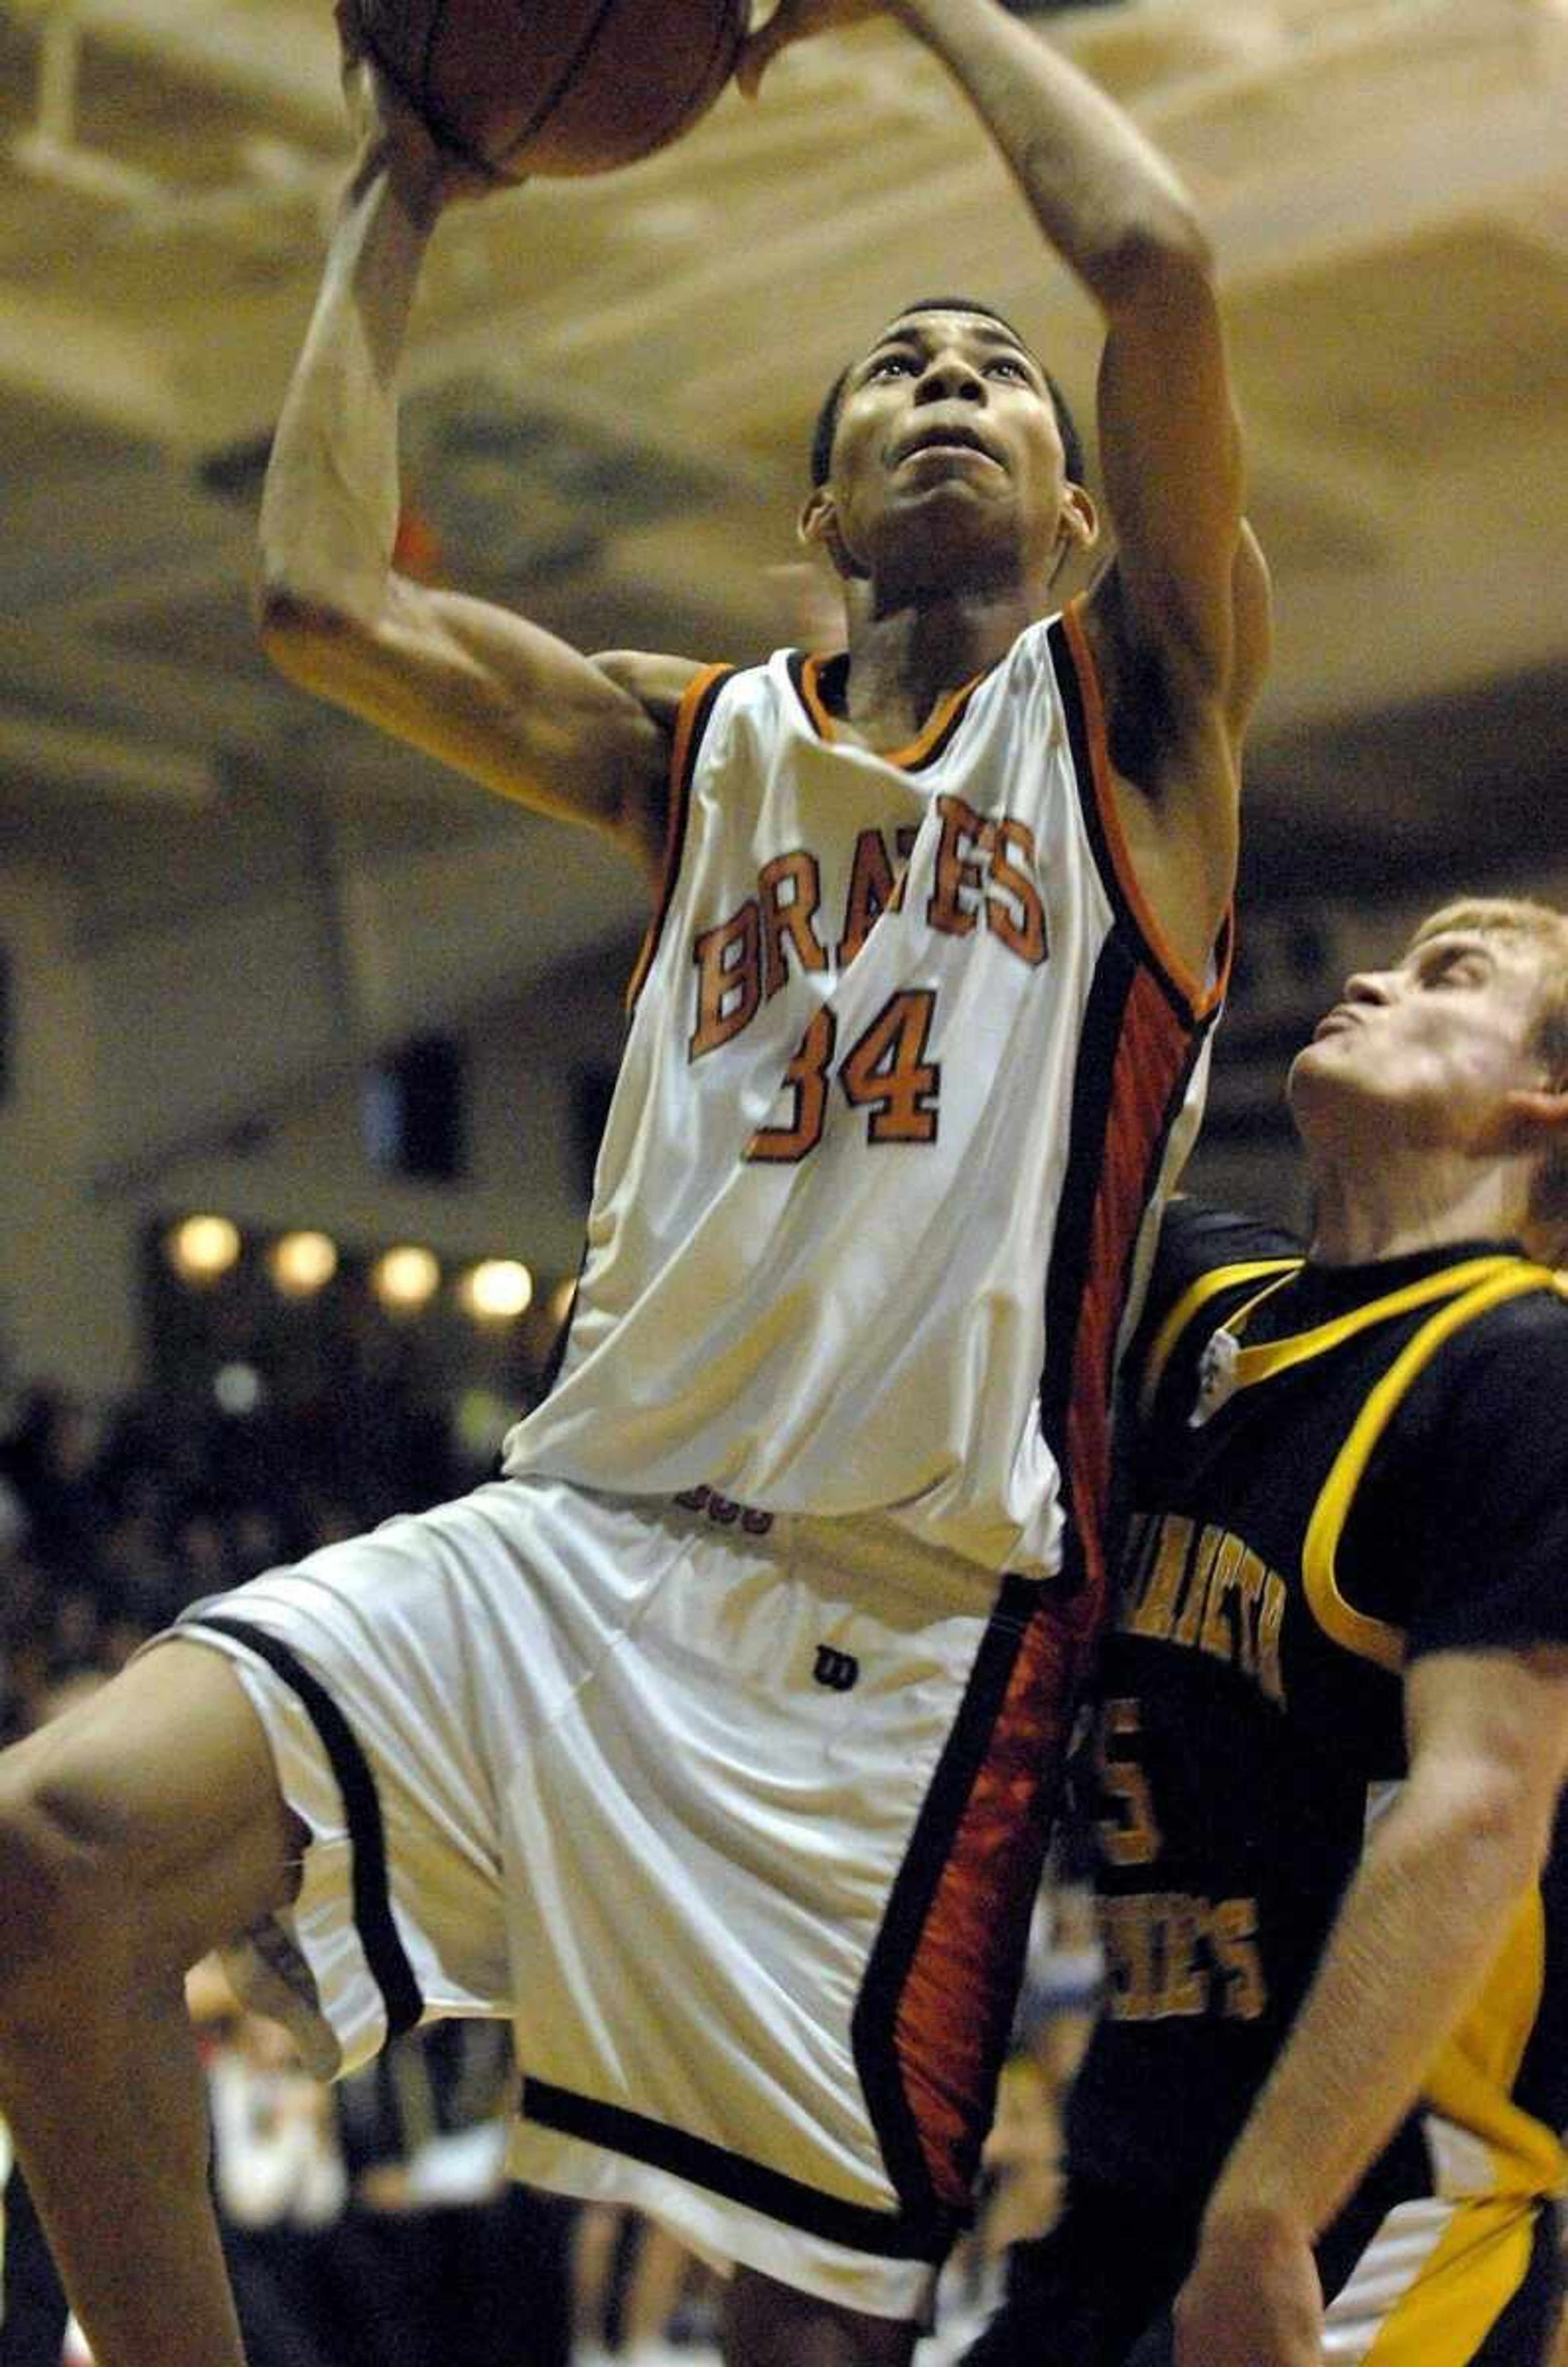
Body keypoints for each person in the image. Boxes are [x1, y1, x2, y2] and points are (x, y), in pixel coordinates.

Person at [0, 3, 1269, 2362]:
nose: (955, 386)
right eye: (899, 371)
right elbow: (319, 605)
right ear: (814, 515)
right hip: (567, 1546)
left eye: (1000, 375)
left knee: (807, 2342)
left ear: (1088, 522)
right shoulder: (694, 748)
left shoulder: (1139, 730)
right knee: (51, 1854)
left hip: (886, 1655)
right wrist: (400, 183)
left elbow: (1162, 259)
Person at [964, 895, 1568, 2367]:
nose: (1371, 976)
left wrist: (1266, 2216)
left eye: (1453, 977)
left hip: (1361, 2218)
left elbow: (1481, 1804)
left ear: (1546, 1102)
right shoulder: (1200, 1304)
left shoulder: (1521, 1367)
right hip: (1126, 2194)